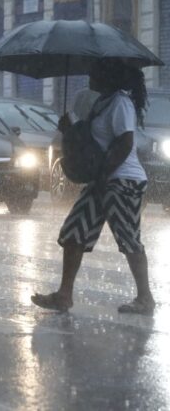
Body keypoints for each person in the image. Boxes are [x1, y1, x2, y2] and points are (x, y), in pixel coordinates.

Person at [32, 59, 155, 315]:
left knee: (128, 237)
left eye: (96, 71)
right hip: (102, 179)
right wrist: (70, 129)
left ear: (109, 75)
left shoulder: (120, 102)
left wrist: (104, 177)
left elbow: (125, 143)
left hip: (122, 181)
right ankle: (64, 295)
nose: (90, 74)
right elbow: (92, 141)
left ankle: (145, 298)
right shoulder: (103, 102)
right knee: (74, 232)